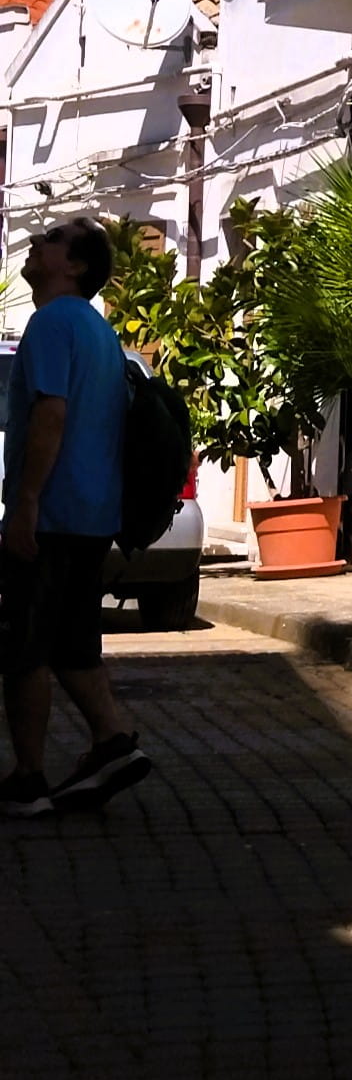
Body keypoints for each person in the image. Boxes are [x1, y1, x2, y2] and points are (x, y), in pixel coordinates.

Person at [0, 215, 149, 817]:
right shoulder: (97, 330)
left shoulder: (52, 322)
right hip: (92, 514)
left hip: (54, 515)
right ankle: (112, 741)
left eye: (54, 239)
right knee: (71, 642)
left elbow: (51, 414)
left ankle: (29, 778)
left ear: (76, 266)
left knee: (25, 646)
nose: (38, 242)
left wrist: (26, 502)